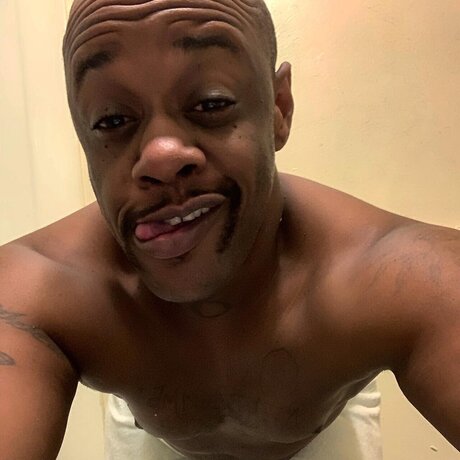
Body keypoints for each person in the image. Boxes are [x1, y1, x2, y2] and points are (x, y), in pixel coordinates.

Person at [0, 0, 459, 458]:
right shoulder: (44, 292)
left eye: (210, 103)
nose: (161, 155)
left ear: (278, 108)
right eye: (112, 120)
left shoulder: (386, 276)